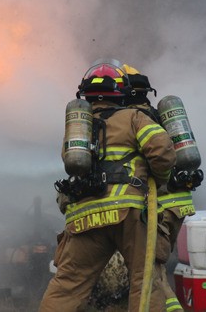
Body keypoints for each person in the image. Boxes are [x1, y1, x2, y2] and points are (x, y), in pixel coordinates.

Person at [39, 61, 176, 312]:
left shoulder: (79, 128)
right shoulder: (134, 117)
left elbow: (71, 163)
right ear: (122, 92)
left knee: (68, 285)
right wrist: (160, 177)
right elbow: (163, 152)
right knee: (145, 280)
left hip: (86, 217)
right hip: (130, 213)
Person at [121, 63, 199, 312]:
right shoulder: (159, 118)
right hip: (176, 206)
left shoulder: (137, 124)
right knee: (156, 274)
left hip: (160, 209)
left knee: (152, 277)